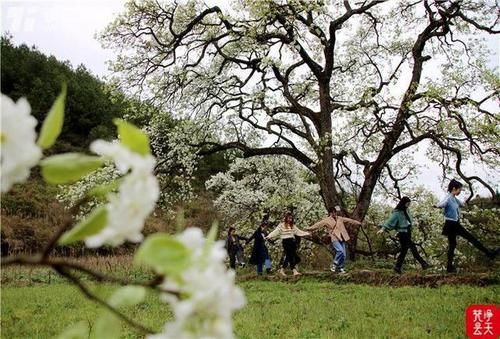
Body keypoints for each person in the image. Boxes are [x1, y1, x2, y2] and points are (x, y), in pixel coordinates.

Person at [434, 179, 498, 273]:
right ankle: (489, 254)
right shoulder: (448, 198)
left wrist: (471, 201)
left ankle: (449, 267)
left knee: (452, 245)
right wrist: (436, 206)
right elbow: (442, 204)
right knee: (470, 238)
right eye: (459, 189)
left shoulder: (454, 198)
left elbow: (462, 204)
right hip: (452, 224)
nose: (460, 191)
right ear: (454, 188)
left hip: (454, 224)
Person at [377, 196, 429, 274]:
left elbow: (409, 221)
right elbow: (390, 221)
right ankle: (423, 263)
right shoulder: (397, 213)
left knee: (404, 251)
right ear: (404, 203)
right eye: (407, 204)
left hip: (407, 232)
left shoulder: (407, 210)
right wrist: (383, 229)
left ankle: (397, 267)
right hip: (402, 233)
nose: (408, 205)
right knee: (412, 247)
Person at [306, 206, 361, 273]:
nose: (334, 214)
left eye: (335, 212)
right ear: (330, 213)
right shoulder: (327, 220)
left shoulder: (340, 218)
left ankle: (341, 267)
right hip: (334, 237)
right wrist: (309, 228)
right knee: (340, 251)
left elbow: (349, 220)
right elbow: (318, 224)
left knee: (344, 255)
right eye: (332, 212)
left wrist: (358, 223)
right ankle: (334, 264)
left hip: (342, 237)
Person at [265, 211, 310, 276]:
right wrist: (269, 236)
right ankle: (294, 271)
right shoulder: (281, 225)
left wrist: (307, 233)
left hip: (292, 242)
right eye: (289, 218)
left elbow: (299, 232)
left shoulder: (292, 226)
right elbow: (275, 232)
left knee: (292, 257)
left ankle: (282, 269)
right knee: (290, 256)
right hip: (286, 242)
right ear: (286, 218)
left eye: (291, 218)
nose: (290, 220)